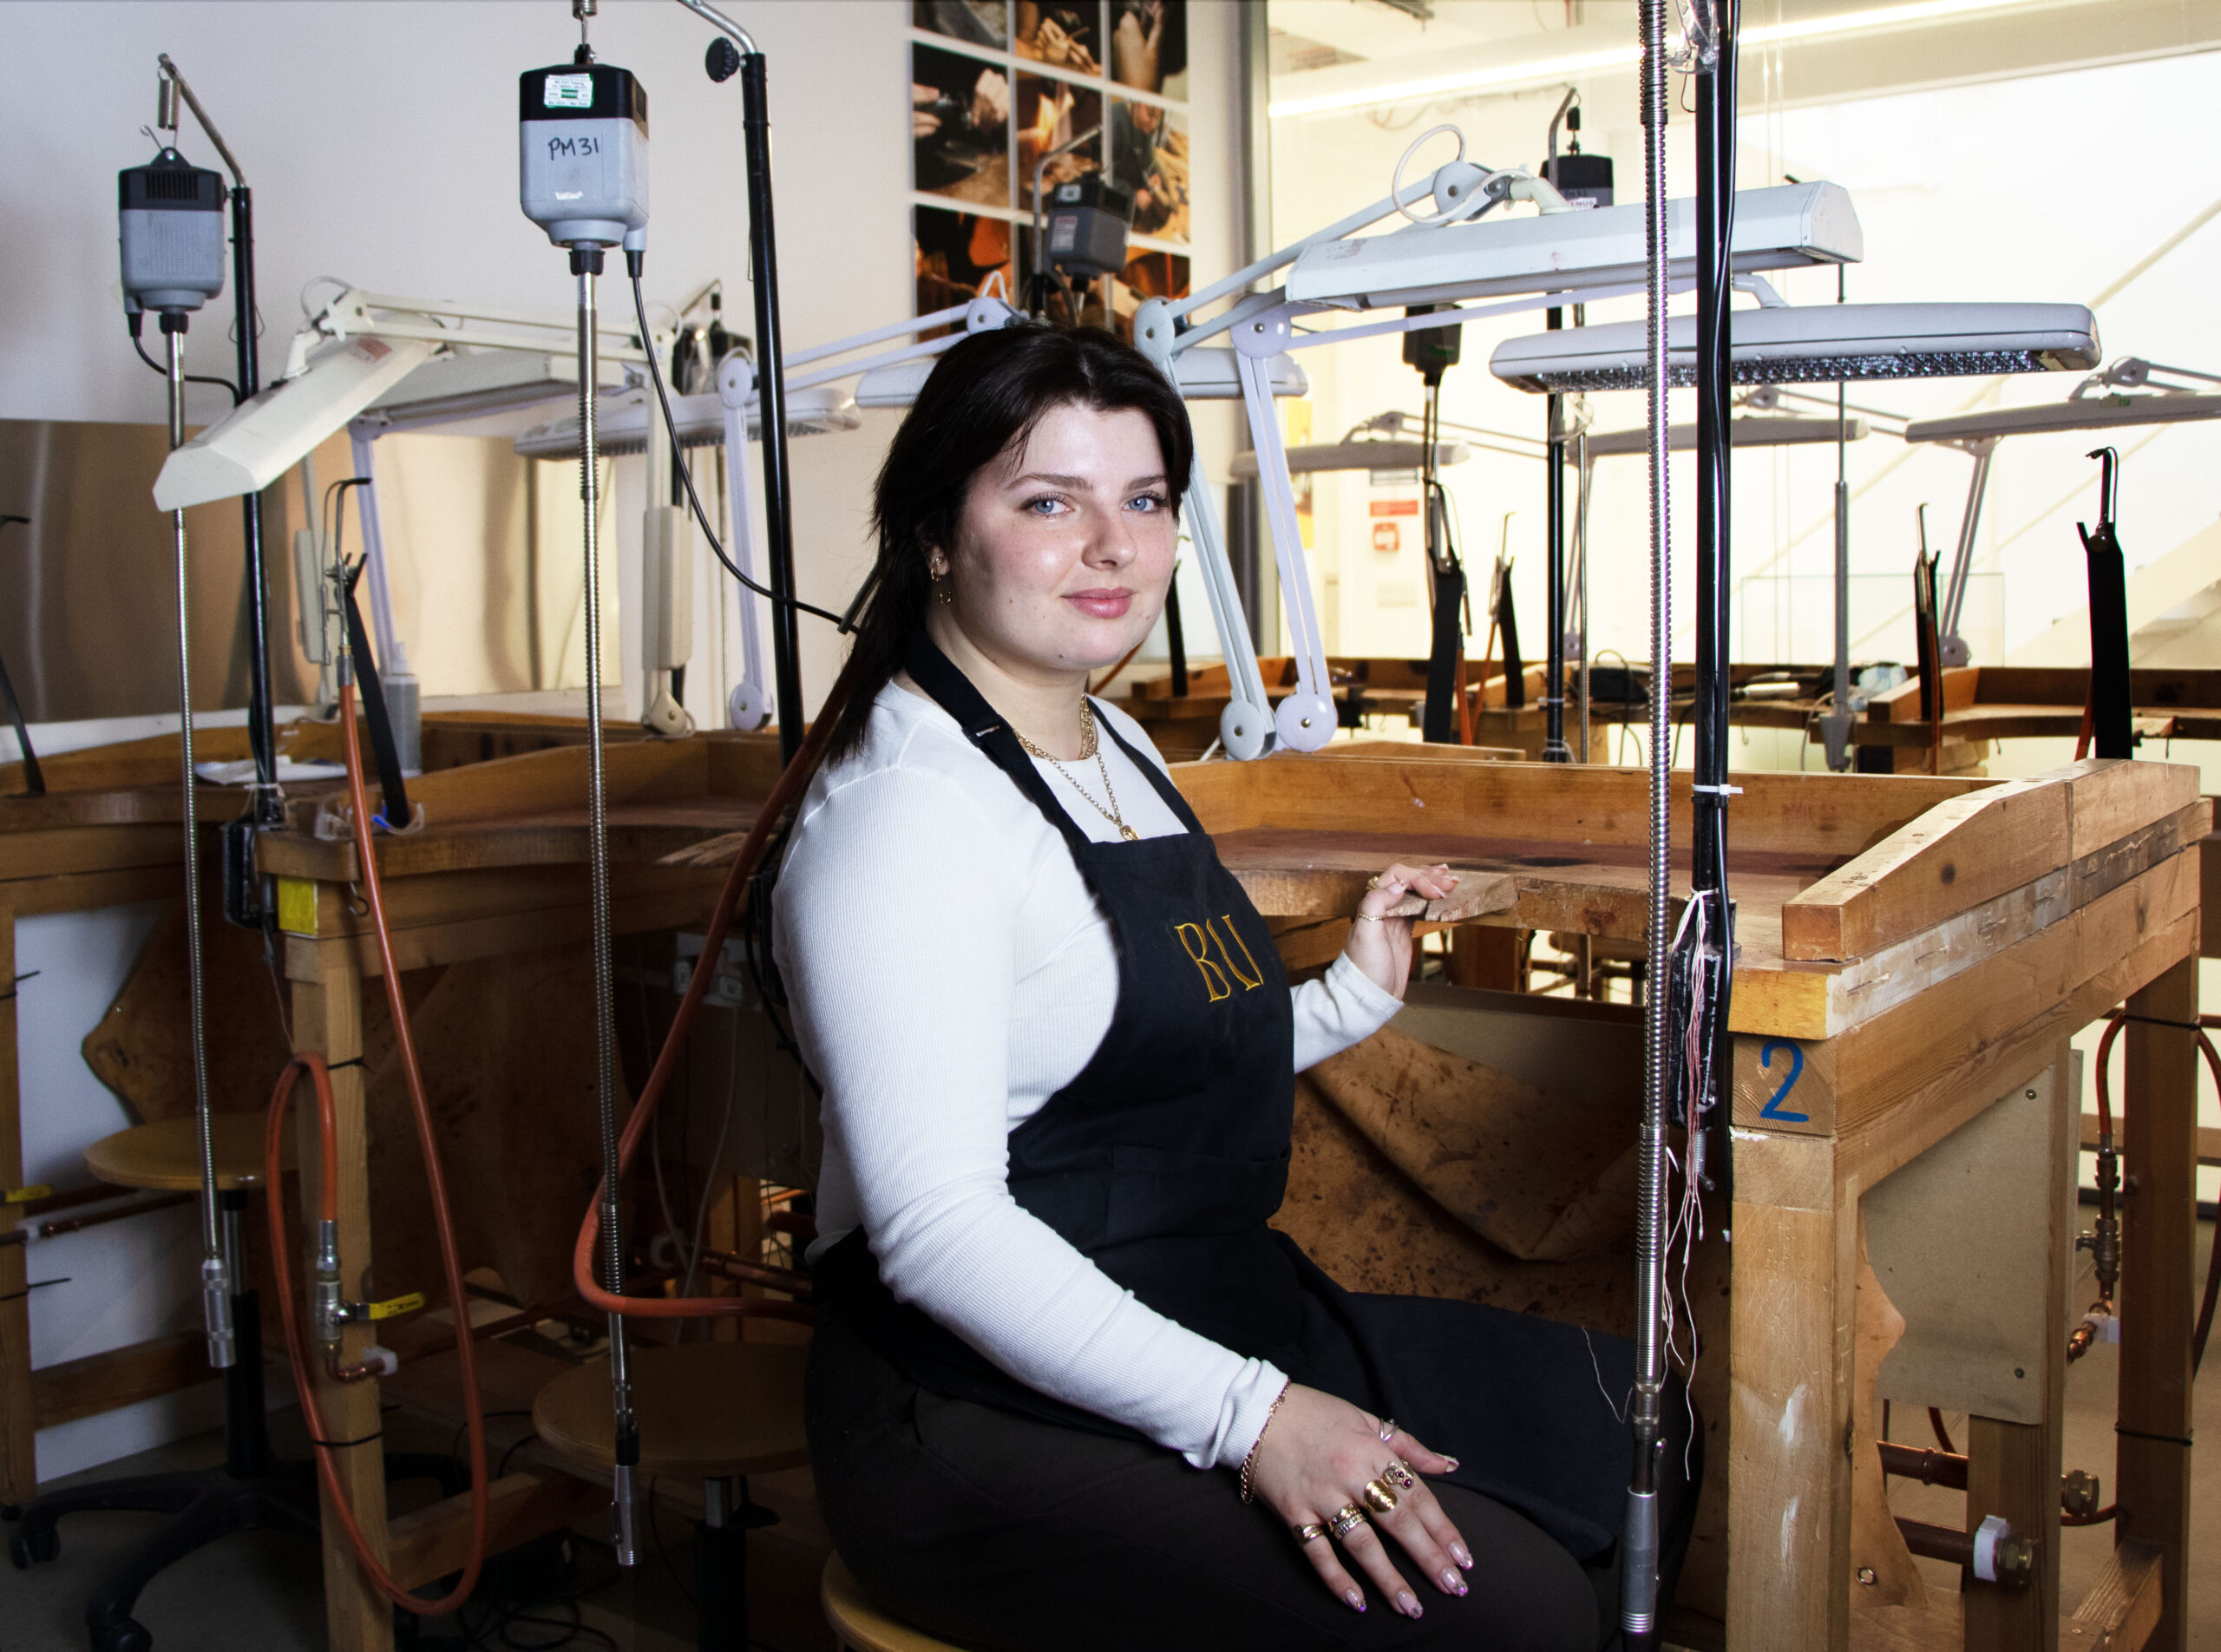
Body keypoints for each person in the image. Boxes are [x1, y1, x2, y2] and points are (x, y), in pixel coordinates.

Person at [776, 324, 1699, 1651]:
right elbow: (939, 1236)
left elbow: (1119, 1066)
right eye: (1050, 502)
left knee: (1634, 1428)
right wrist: (1256, 1417)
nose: (1113, 548)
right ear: (934, 530)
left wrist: (1348, 998)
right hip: (970, 1402)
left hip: (1201, 1304)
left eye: (1144, 501)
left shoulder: (1118, 742)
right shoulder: (904, 816)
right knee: (1515, 1614)